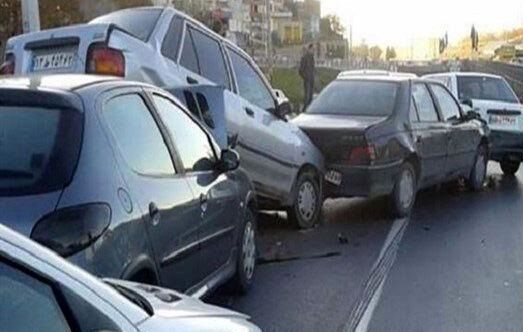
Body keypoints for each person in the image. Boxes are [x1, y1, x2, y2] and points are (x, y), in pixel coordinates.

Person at [299, 44, 315, 110]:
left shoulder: (312, 58)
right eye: (313, 49)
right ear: (309, 49)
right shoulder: (304, 58)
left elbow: (312, 68)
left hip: (311, 79)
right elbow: (300, 70)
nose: (313, 51)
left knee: (310, 96)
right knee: (307, 96)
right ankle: (304, 109)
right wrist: (305, 77)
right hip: (307, 80)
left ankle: (310, 109)